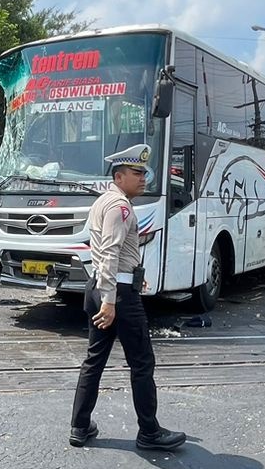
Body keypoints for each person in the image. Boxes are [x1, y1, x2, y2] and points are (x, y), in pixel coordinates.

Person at [69, 144, 187, 451]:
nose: (143, 178)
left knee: (94, 360)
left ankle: (80, 426)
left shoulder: (105, 202)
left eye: (145, 172)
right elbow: (109, 252)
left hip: (103, 286)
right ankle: (149, 432)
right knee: (142, 363)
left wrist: (132, 274)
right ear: (119, 176)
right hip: (117, 295)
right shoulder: (119, 206)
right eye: (137, 173)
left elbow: (113, 254)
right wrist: (110, 300)